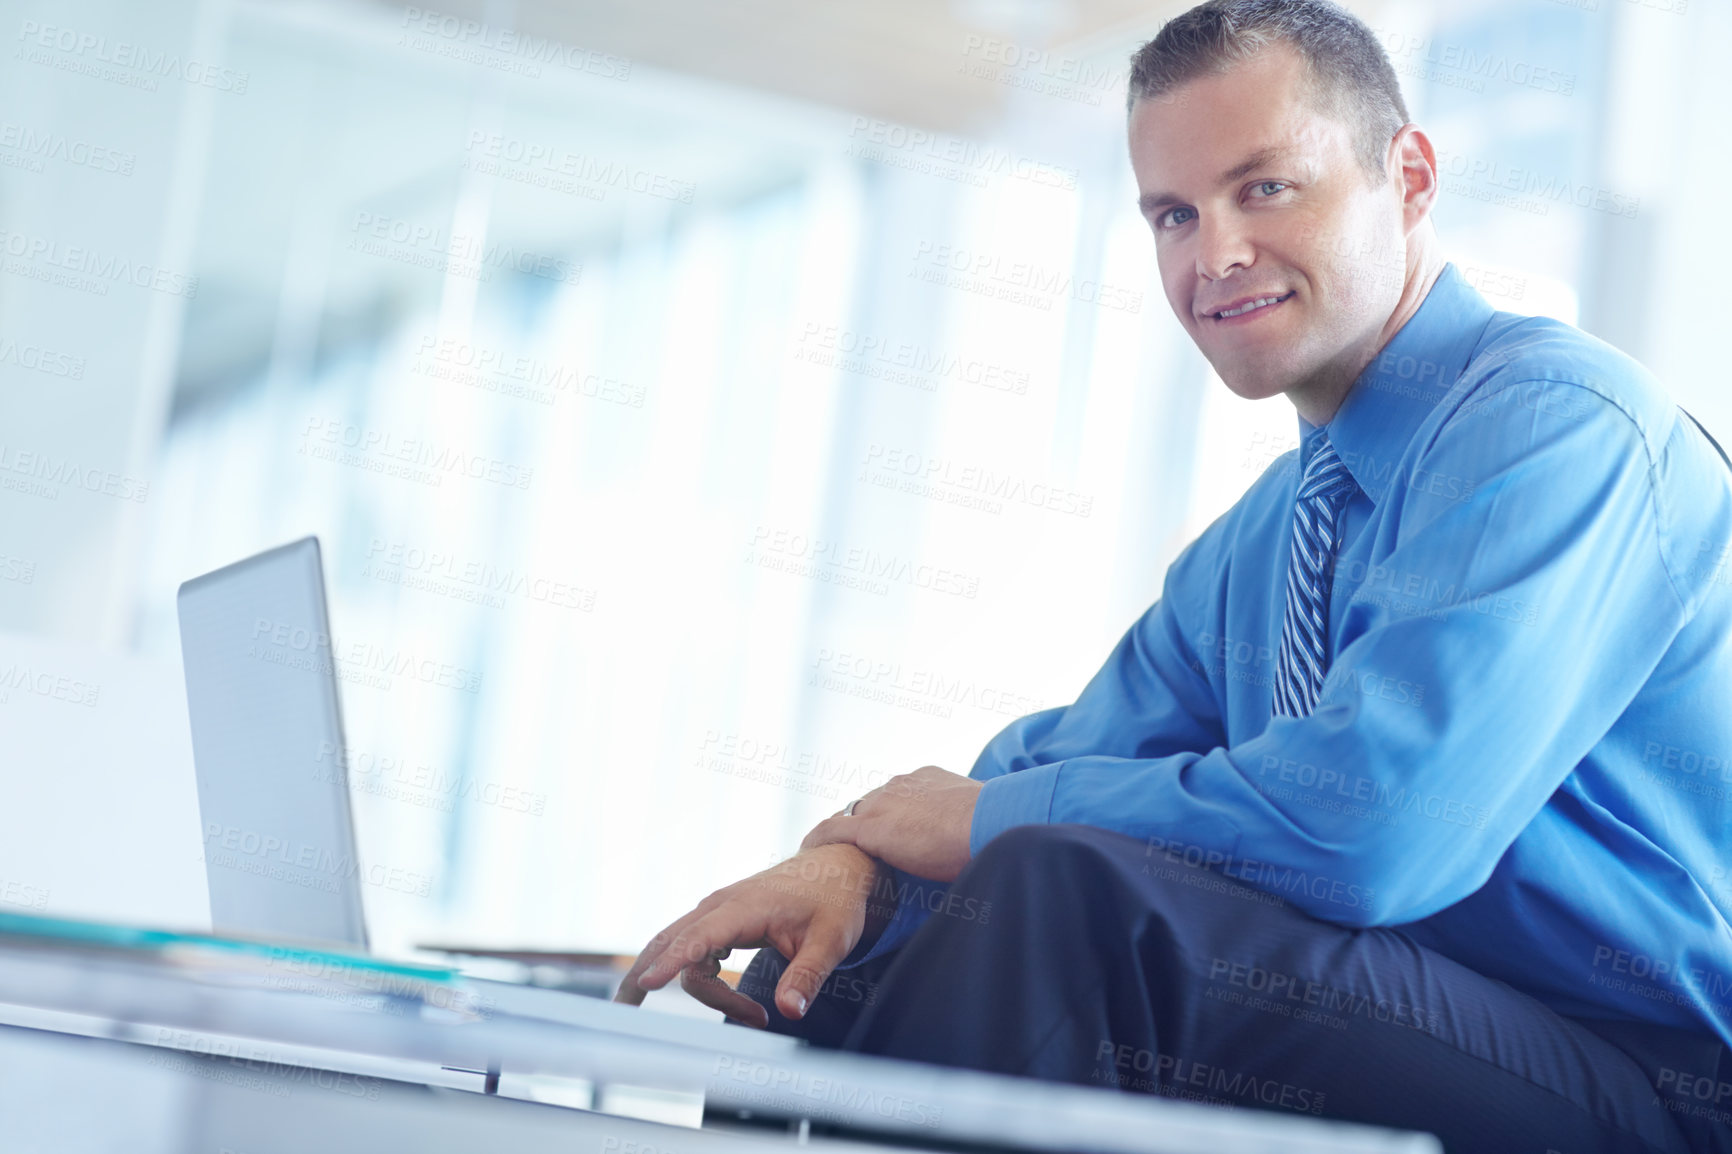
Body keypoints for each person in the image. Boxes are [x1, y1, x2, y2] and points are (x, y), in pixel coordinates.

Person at [616, 1, 1732, 1149]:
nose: (1214, 254)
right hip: (1421, 1014)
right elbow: (1051, 769)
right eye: (1171, 214)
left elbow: (1373, 831)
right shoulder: (1271, 536)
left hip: (1644, 1077)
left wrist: (980, 825)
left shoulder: (1560, 431)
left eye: (1264, 188)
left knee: (1065, 897)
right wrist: (857, 867)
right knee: (842, 941)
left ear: (1407, 175)